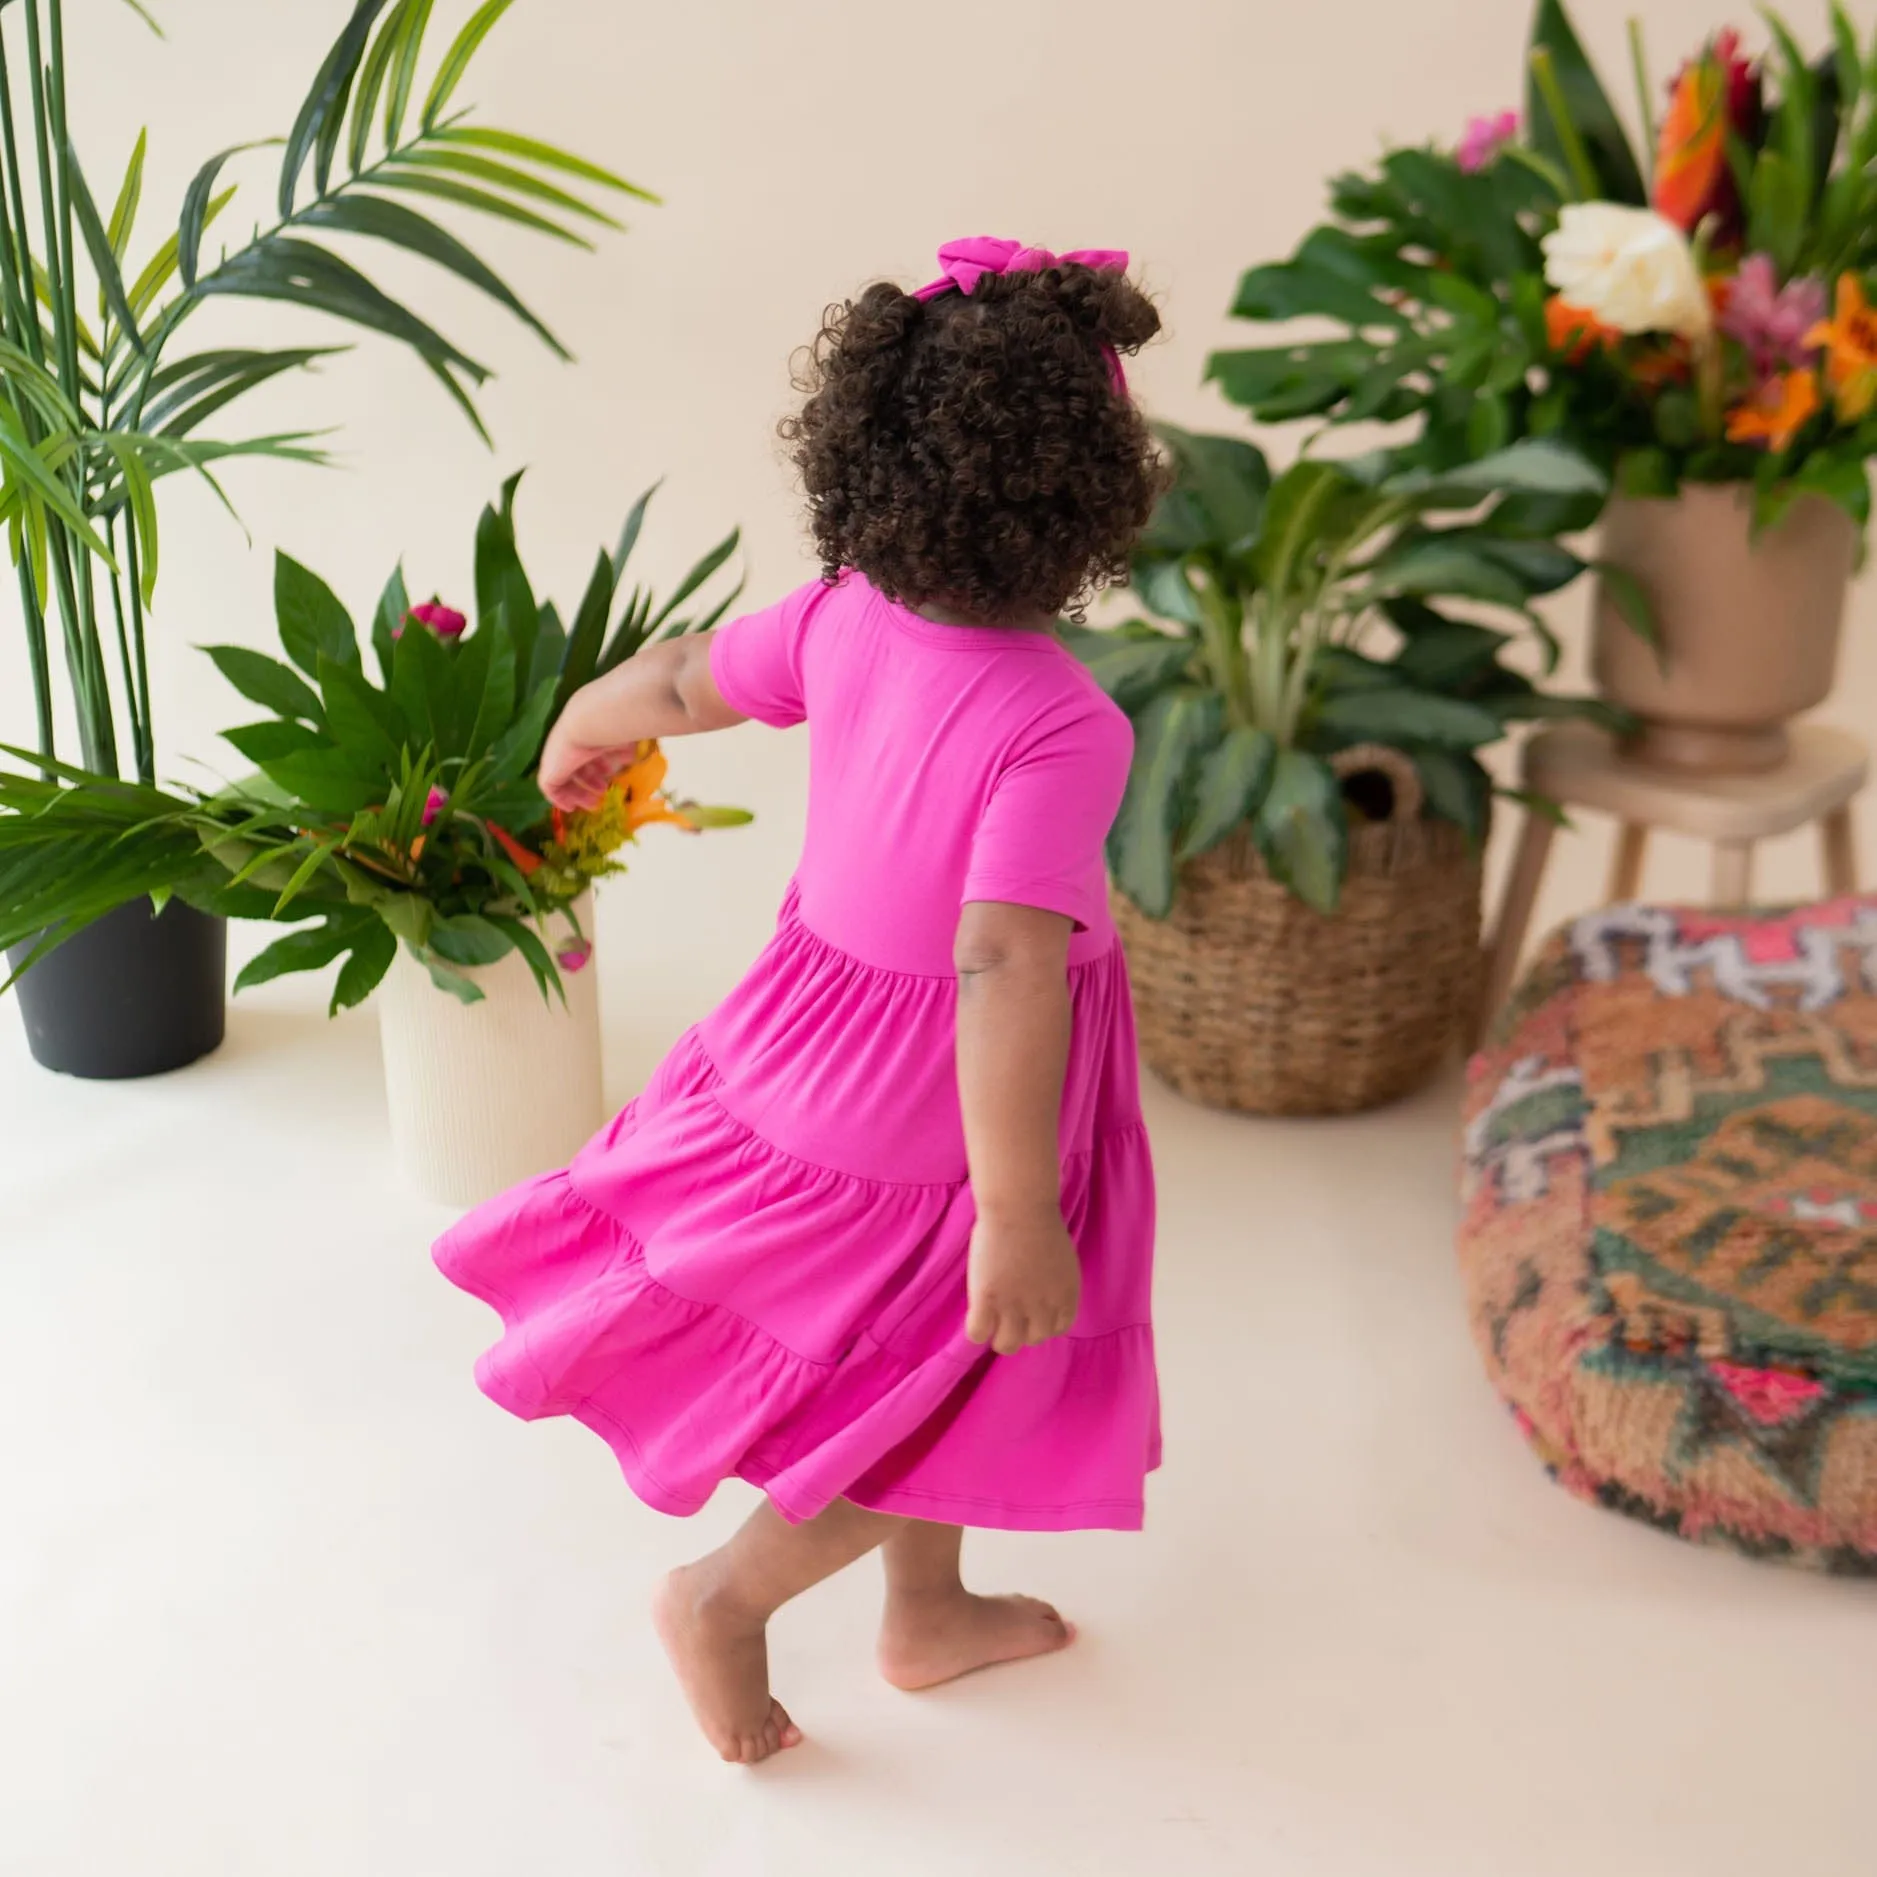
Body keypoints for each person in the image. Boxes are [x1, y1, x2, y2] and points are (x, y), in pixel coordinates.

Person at [435, 237, 1164, 1764]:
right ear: (1088, 497)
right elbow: (1006, 959)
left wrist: (589, 714)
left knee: (928, 1362)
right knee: (956, 1372)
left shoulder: (843, 616)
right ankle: (727, 1596)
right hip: (947, 1103)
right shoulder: (1065, 723)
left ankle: (927, 1616)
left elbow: (698, 677)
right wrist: (1023, 1207)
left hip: (803, 1040)